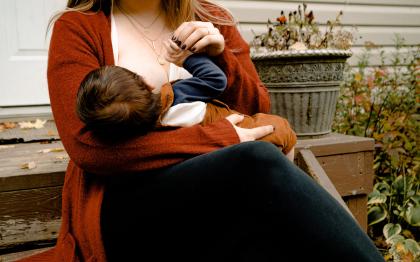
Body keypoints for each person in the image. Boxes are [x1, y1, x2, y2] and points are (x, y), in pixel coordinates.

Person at [22, 0, 384, 261]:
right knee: (255, 162)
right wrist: (221, 138)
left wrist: (221, 56)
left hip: (212, 195)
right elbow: (89, 147)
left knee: (265, 237)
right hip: (126, 203)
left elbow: (256, 111)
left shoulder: (212, 18)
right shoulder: (79, 27)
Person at [76, 51, 296, 158]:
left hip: (222, 155)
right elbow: (216, 80)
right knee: (285, 133)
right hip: (248, 129)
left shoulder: (144, 131)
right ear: (145, 82)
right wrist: (186, 58)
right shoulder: (175, 95)